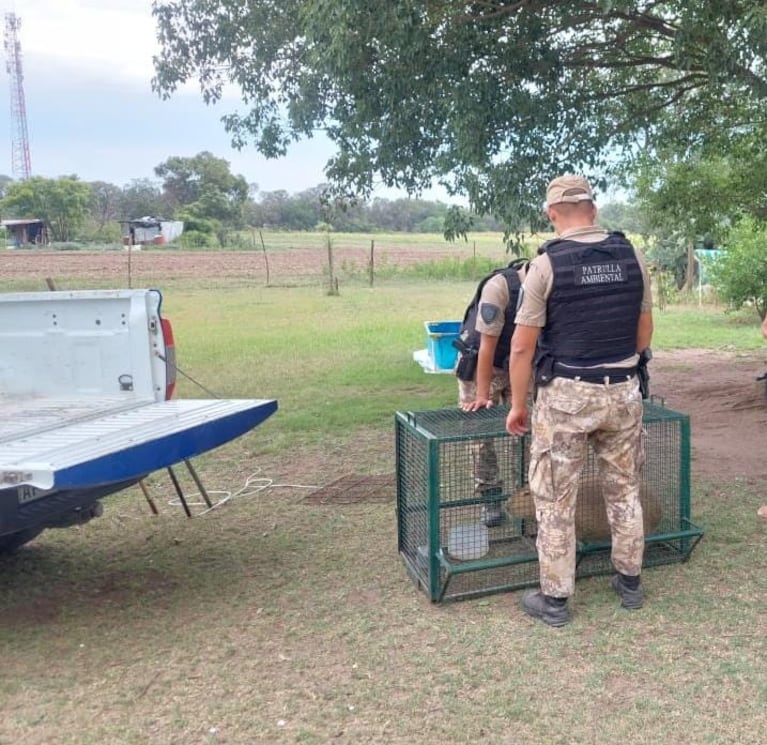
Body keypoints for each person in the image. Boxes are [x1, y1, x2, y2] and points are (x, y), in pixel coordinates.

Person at [505, 175, 654, 627]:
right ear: (594, 207)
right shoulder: (633, 255)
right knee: (624, 491)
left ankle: (555, 601)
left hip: (567, 395)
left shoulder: (545, 265)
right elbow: (644, 332)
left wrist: (517, 405)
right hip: (624, 390)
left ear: (552, 214)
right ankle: (629, 583)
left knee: (553, 499)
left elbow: (520, 347)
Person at [455, 258, 528, 527]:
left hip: (520, 363)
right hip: (482, 362)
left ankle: (526, 494)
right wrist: (482, 396)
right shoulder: (500, 287)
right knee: (480, 434)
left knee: (526, 429)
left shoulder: (550, 284)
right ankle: (490, 498)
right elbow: (486, 347)